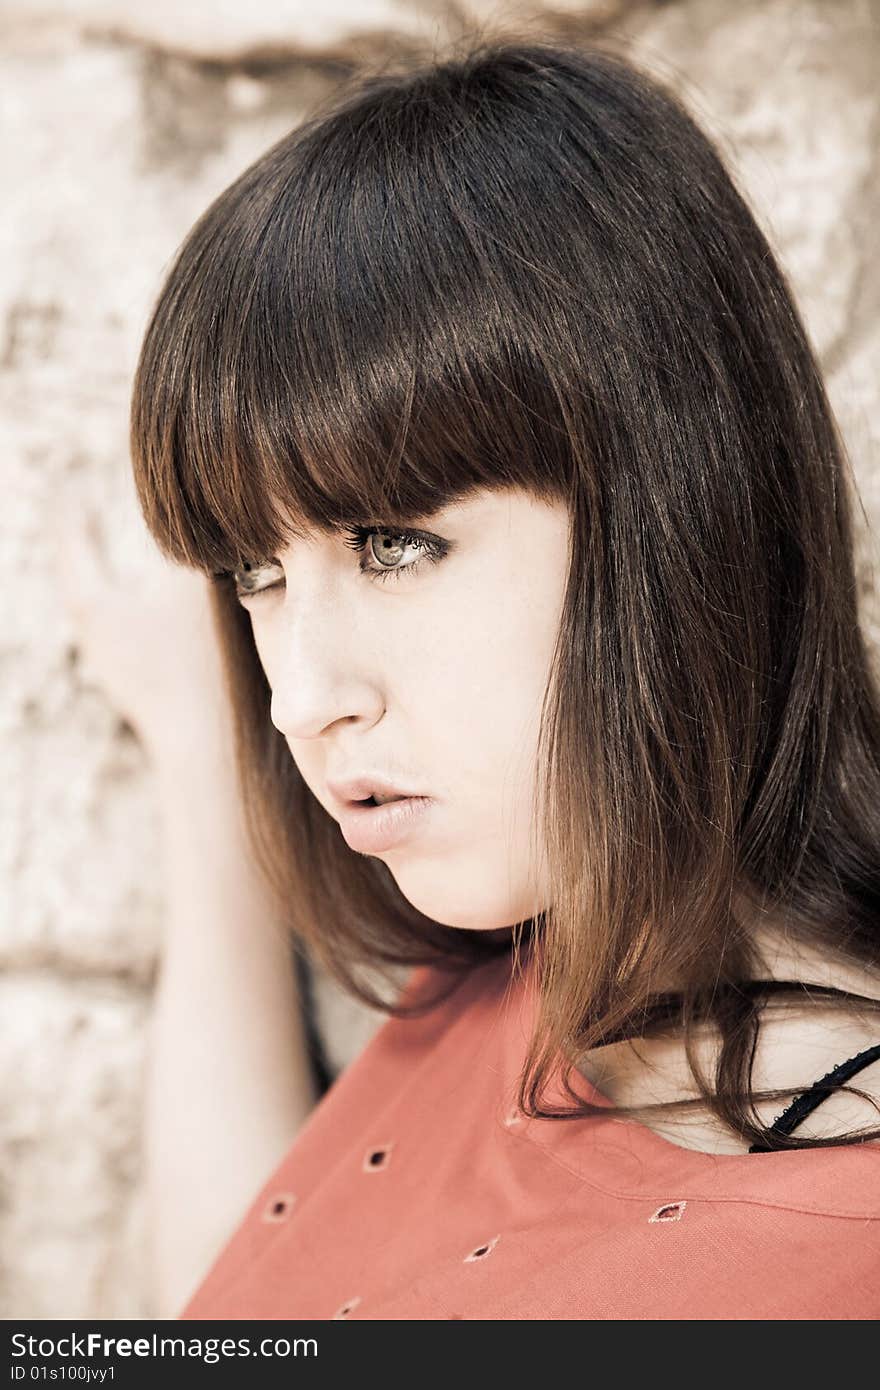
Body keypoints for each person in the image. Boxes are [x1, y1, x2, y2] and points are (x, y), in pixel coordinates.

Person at [62, 36, 880, 1320]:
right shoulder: (530, 959)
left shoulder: (829, 1255)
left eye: (396, 545)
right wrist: (195, 748)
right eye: (252, 575)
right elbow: (234, 1301)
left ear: (672, 504)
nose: (297, 699)